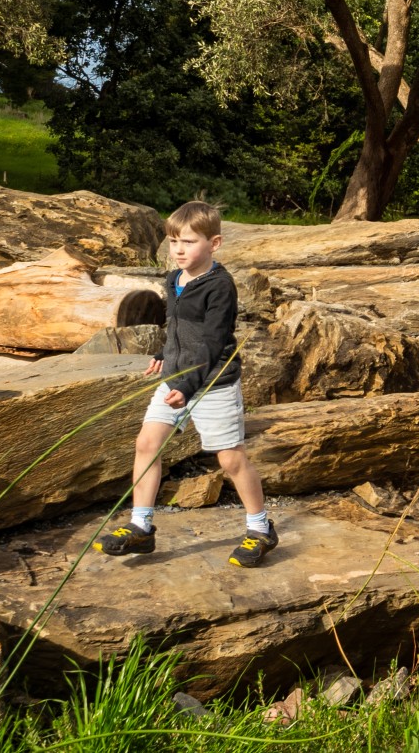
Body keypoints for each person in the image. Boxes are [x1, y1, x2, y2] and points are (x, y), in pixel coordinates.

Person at [94, 202, 278, 567]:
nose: (179, 250)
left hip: (212, 383)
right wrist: (166, 353)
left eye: (189, 242)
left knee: (230, 459)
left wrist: (190, 384)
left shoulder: (220, 287)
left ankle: (260, 529)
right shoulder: (173, 279)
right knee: (146, 443)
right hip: (178, 378)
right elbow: (177, 325)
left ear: (215, 243)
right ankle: (140, 527)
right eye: (173, 241)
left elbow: (211, 342)